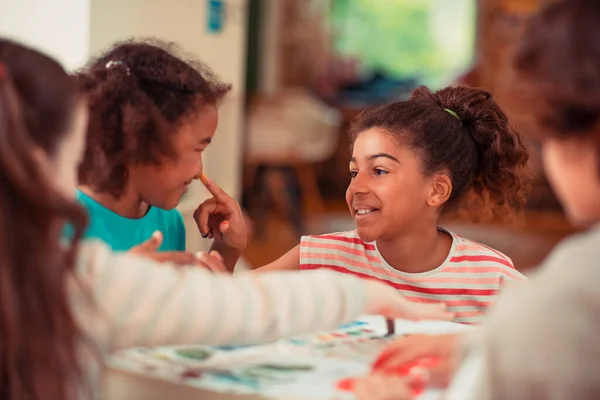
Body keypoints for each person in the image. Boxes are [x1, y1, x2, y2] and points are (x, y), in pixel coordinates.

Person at [0, 38, 454, 400]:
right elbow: (246, 307)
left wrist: (225, 253)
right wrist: (367, 296)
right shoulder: (78, 274)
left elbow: (225, 305)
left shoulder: (85, 265)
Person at [353, 0, 600, 398]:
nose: (358, 186)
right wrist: (474, 348)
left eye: (548, 133)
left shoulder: (564, 292)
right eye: (354, 170)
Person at [257, 85, 530, 324]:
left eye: (379, 170)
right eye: (354, 172)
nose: (356, 188)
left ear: (436, 190)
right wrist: (229, 249)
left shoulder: (493, 279)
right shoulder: (320, 257)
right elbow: (226, 301)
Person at [74, 39, 245, 271]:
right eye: (198, 149)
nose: (198, 172)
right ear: (139, 139)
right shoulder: (59, 224)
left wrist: (226, 251)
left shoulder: (169, 223)